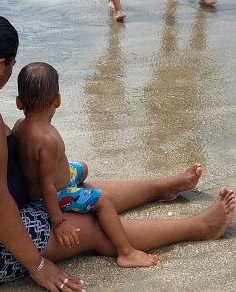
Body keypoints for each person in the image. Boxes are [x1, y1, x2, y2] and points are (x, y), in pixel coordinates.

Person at [0, 16, 236, 291]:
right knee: (88, 227)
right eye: (11, 66)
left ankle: (162, 187)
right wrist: (38, 266)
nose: (10, 74)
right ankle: (199, 227)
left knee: (75, 190)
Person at [12, 62, 158, 268]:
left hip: (43, 187)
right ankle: (126, 251)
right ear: (58, 100)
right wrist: (59, 222)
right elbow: (47, 186)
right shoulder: (49, 140)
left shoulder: (19, 126)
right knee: (104, 200)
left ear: (19, 102)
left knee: (81, 167)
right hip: (52, 197)